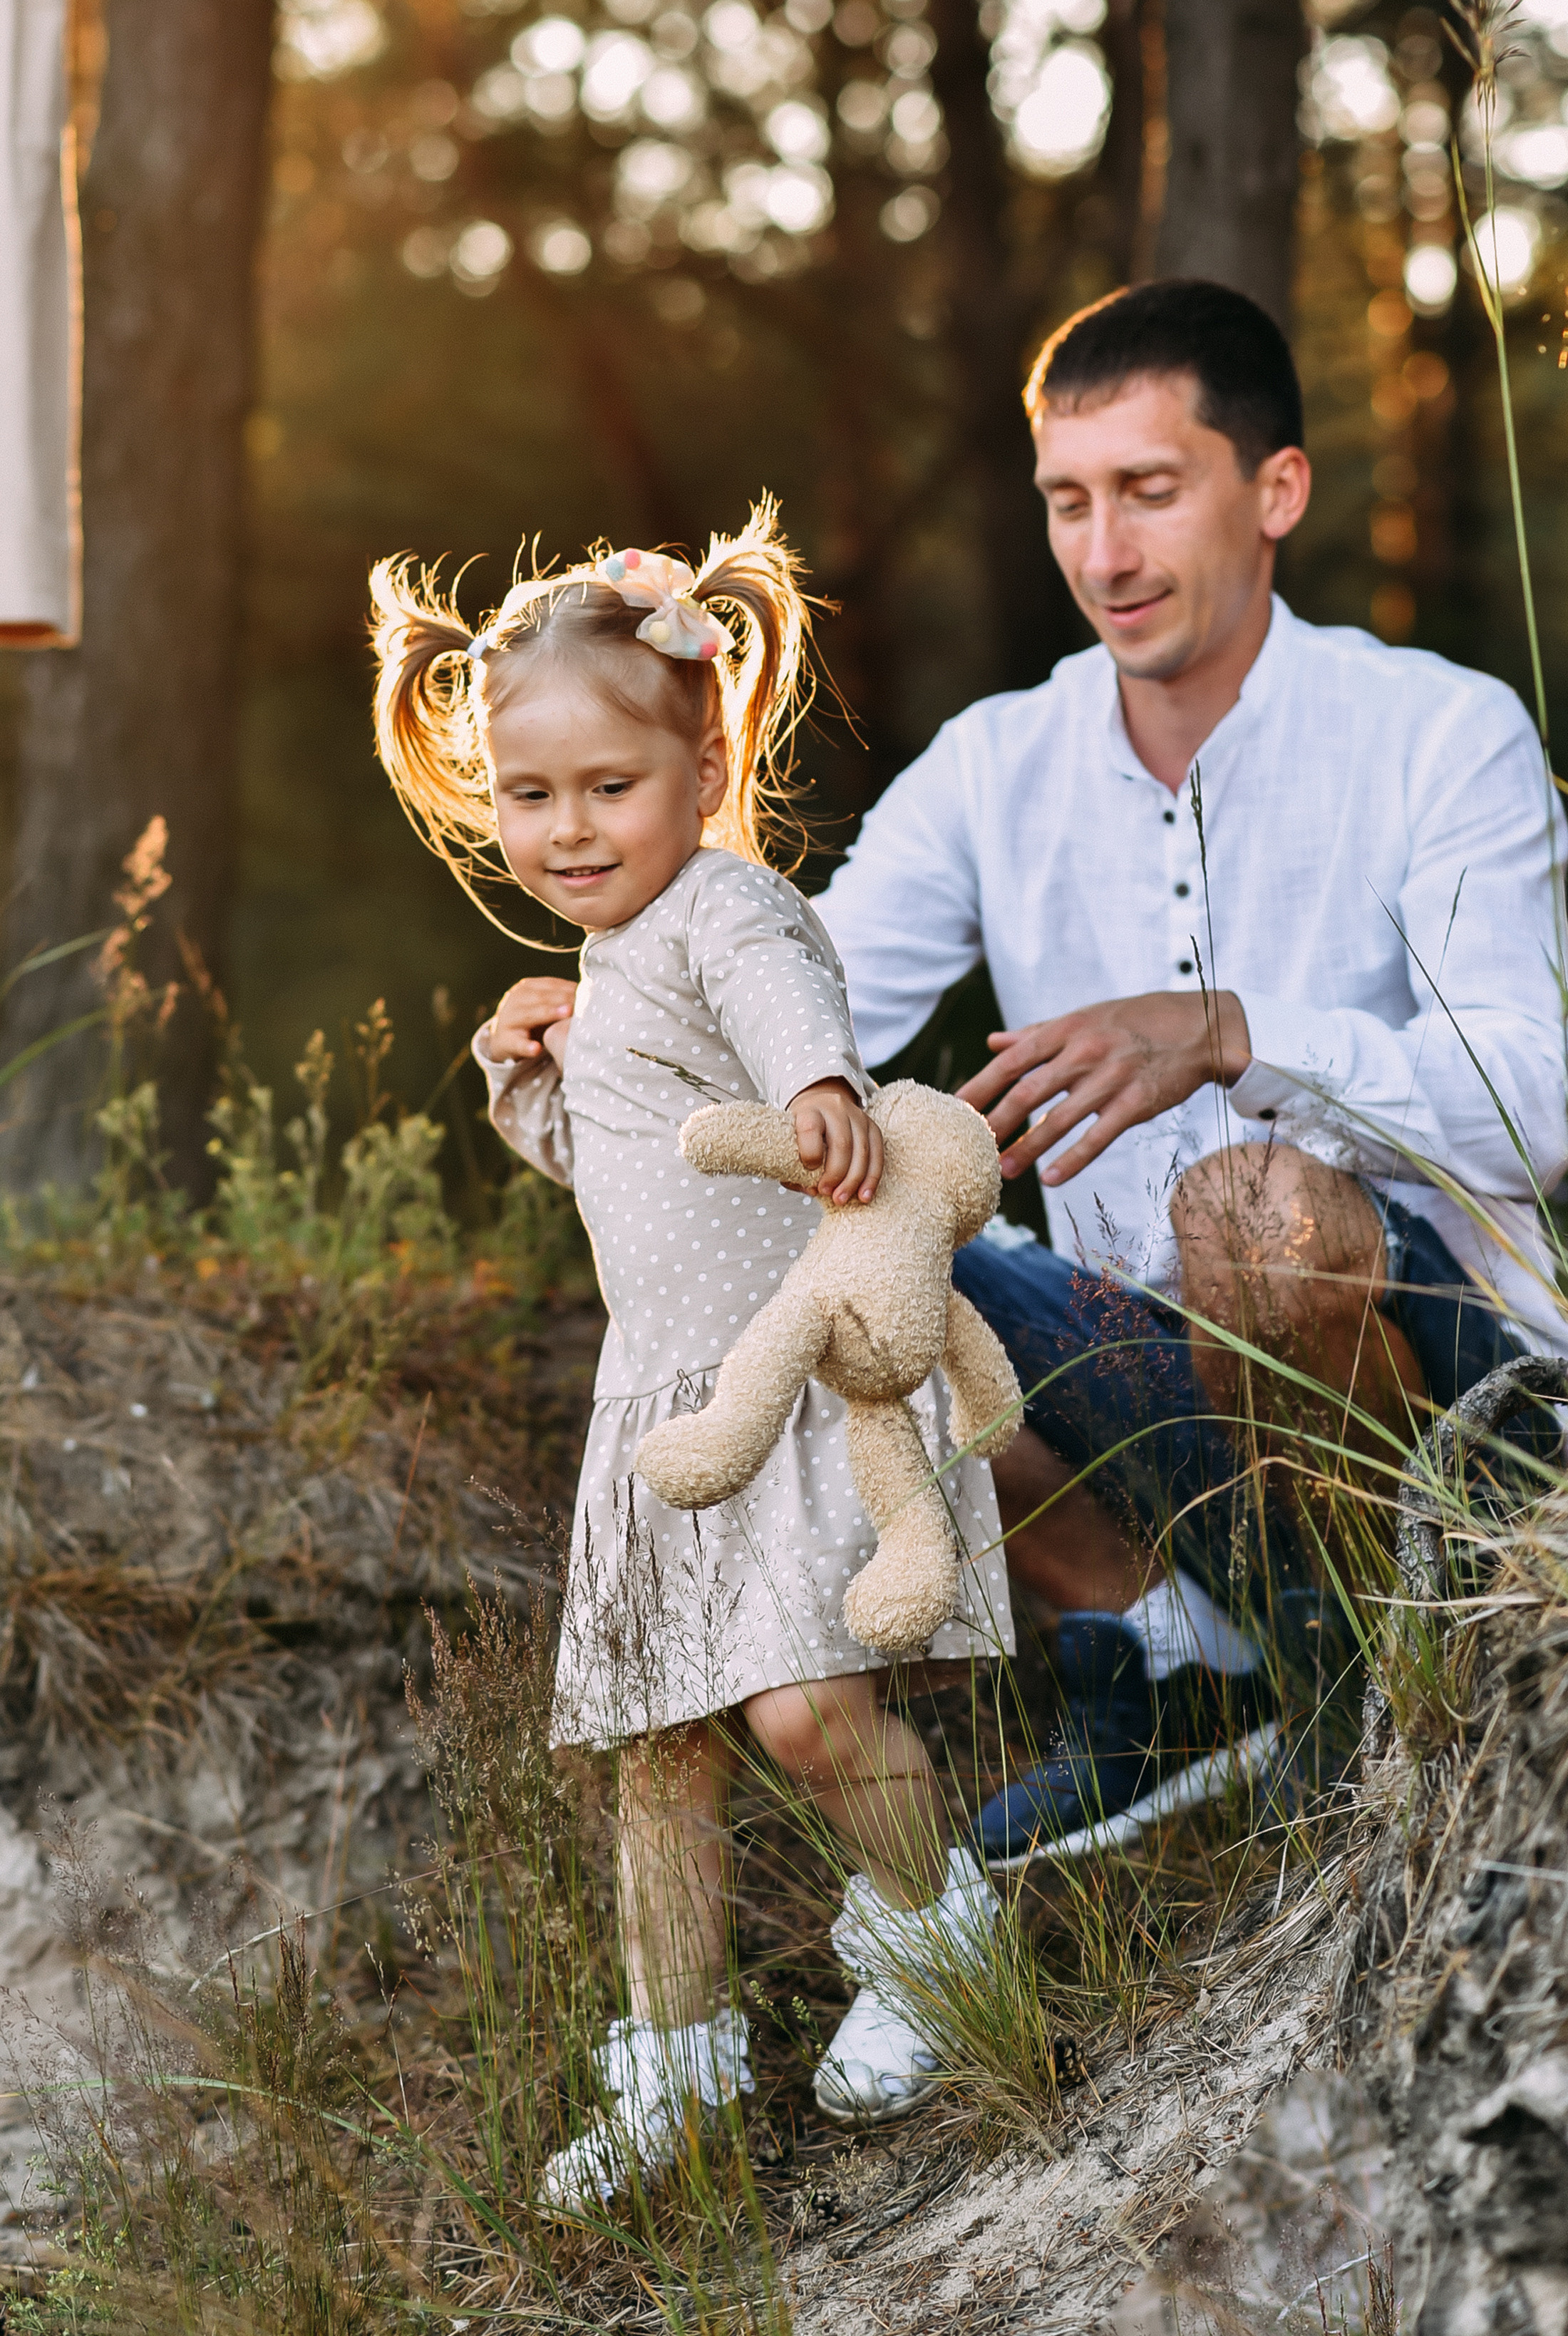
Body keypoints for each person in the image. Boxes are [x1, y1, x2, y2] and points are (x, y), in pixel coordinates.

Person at [815, 281, 1568, 1867]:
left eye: (1149, 490)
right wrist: (602, 1022)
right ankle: (1175, 1660)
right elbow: (794, 1021)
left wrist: (1235, 1033)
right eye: (1068, 501)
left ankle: (1388, 1682)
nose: (1104, 552)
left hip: (1442, 1395)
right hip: (1134, 1378)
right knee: (822, 1232)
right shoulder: (993, 763)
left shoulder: (1440, 732)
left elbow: (1535, 1102)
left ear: (1273, 490)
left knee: (1249, 1209)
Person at [367, 505, 1012, 2210]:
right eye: (528, 795)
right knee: (662, 1764)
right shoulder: (600, 961)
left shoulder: (725, 906)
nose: (568, 828)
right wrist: (526, 1077)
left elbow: (781, 985)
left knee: (810, 1713)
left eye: (609, 787)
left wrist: (813, 1081)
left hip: (787, 1394)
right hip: (660, 1413)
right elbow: (622, 1168)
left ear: (705, 767)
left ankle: (944, 1947)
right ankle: (674, 2077)